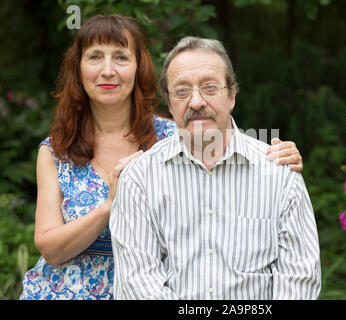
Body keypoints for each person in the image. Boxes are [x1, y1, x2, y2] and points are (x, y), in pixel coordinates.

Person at [20, 15, 304, 300]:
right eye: (95, 57)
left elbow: (232, 161)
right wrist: (111, 205)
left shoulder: (176, 134)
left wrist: (275, 155)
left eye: (121, 57)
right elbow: (50, 249)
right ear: (78, 70)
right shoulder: (57, 150)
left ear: (138, 67)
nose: (108, 70)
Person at [110, 36, 321, 300]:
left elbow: (299, 280)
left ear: (232, 95)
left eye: (209, 88)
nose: (196, 102)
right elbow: (137, 283)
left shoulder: (279, 174)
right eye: (182, 91)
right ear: (169, 101)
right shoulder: (139, 179)